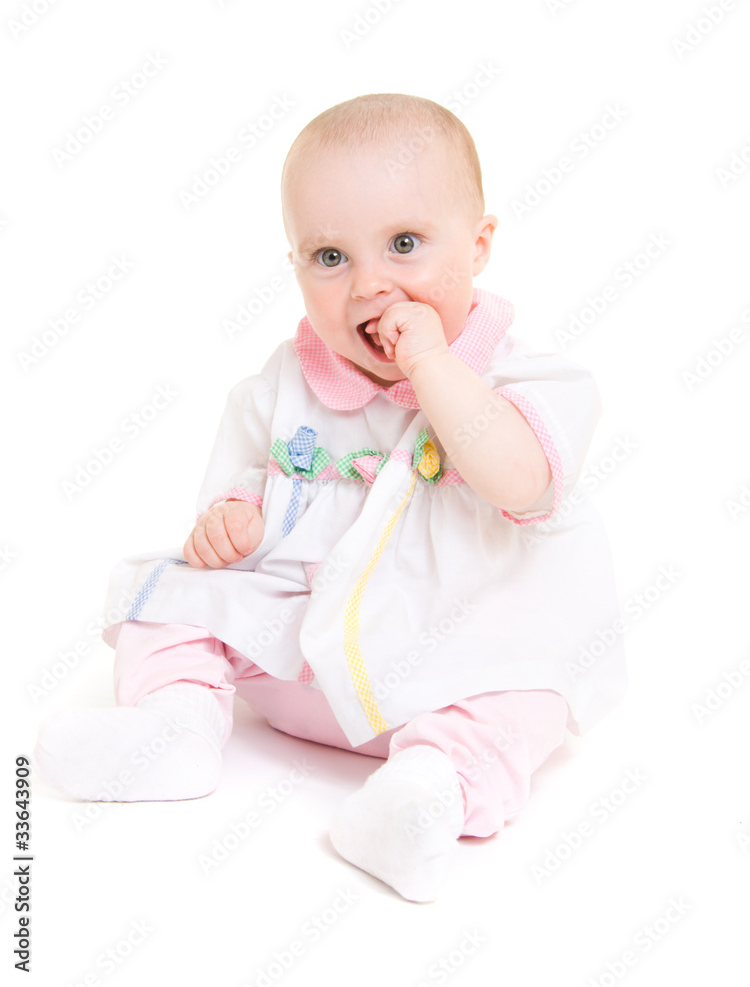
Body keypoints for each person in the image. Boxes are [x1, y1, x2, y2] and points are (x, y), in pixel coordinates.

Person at [35, 93, 626, 902]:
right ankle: (175, 726)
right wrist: (231, 528)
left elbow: (518, 479)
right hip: (302, 669)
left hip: (452, 663)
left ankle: (427, 792)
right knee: (164, 597)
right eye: (330, 257)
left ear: (480, 245)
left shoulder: (532, 383)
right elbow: (245, 491)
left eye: (406, 245)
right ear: (295, 265)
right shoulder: (284, 384)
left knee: (534, 698)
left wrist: (432, 366)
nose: (368, 285)